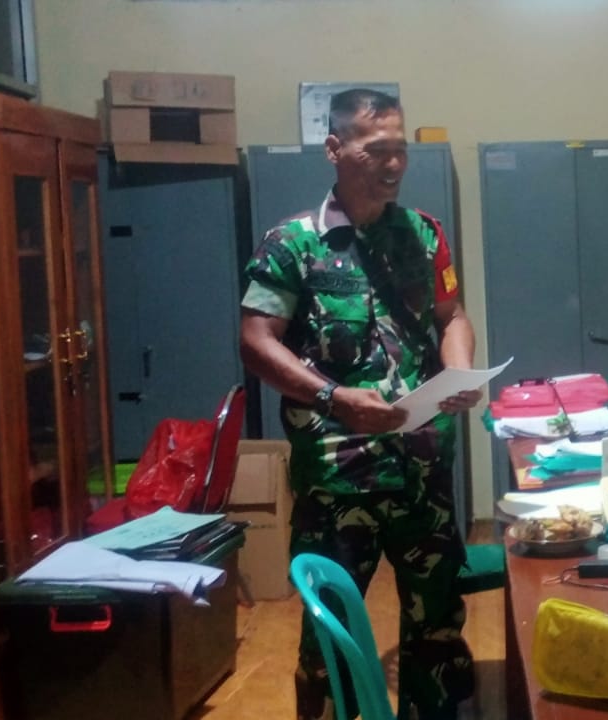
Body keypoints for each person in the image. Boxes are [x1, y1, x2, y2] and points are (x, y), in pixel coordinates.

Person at [239, 88, 479, 720]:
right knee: (328, 642)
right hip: (339, 479)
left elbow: (452, 315)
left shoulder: (423, 234)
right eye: (377, 151)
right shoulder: (293, 244)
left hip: (423, 471)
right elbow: (256, 341)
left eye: (400, 150)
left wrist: (458, 370)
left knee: (438, 631)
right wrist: (333, 396)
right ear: (335, 149)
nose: (393, 164)